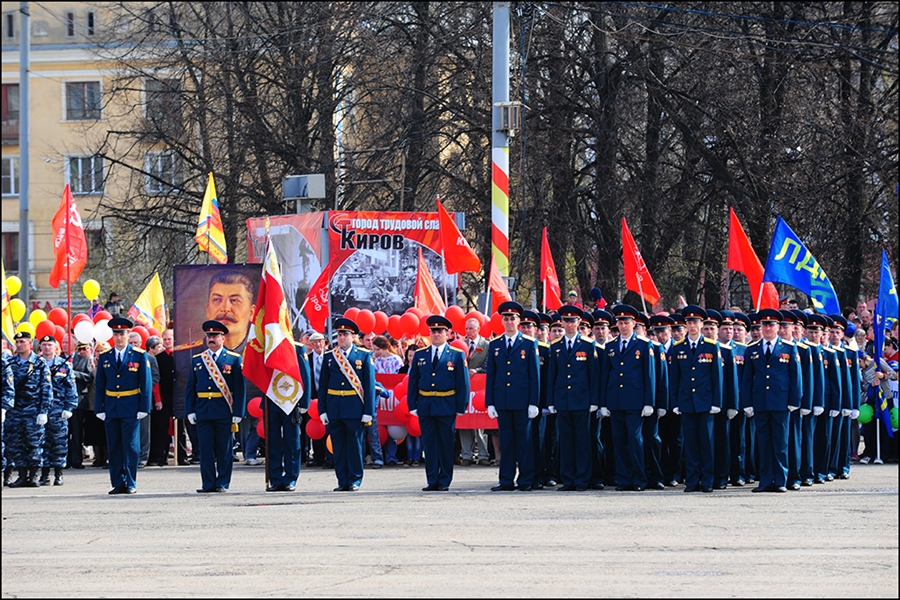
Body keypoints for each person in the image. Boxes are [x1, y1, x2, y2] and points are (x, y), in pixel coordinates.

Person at [741, 308, 802, 493]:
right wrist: (747, 403)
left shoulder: (789, 347)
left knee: (781, 443)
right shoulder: (752, 349)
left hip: (781, 401)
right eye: (764, 325)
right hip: (760, 401)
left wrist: (794, 400)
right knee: (763, 443)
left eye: (771, 325)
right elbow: (747, 378)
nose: (767, 328)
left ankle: (781, 480)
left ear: (778, 327)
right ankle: (766, 480)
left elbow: (795, 376)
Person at [408, 315, 470, 491]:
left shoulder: (457, 355)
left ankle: (444, 480)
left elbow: (462, 383)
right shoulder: (421, 354)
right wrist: (412, 405)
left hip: (446, 404)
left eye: (440, 331)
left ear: (447, 333)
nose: (436, 334)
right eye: (433, 331)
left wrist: (461, 405)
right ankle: (432, 479)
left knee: (445, 443)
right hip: (426, 404)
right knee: (430, 443)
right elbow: (413, 381)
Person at [484, 302, 540, 492]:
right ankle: (506, 479)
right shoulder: (495, 344)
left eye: (512, 319)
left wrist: (534, 402)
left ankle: (526, 479)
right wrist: (490, 402)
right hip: (503, 400)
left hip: (523, 400)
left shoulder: (528, 343)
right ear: (502, 321)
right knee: (506, 442)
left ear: (518, 321)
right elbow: (491, 375)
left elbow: (534, 376)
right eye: (506, 319)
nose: (509, 322)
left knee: (524, 441)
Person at [185, 320, 246, 493]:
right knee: (205, 450)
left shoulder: (233, 359)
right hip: (203, 410)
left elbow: (240, 388)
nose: (211, 339)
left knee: (224, 450)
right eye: (209, 336)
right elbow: (191, 387)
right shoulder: (198, 359)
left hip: (224, 410)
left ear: (222, 338)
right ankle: (208, 483)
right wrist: (190, 410)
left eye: (215, 336)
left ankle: (222, 483)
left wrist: (238, 412)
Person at [601, 304, 656, 492]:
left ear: (634, 323)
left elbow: (649, 376)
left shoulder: (643, 344)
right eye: (620, 322)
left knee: (635, 439)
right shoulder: (611, 346)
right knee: (619, 440)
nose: (623, 326)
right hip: (615, 400)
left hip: (635, 400)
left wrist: (649, 402)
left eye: (627, 322)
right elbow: (606, 374)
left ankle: (639, 478)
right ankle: (623, 478)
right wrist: (603, 403)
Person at [95, 318, 152, 495]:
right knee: (114, 446)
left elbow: (146, 383)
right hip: (112, 406)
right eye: (116, 334)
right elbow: (100, 385)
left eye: (122, 334)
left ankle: (130, 481)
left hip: (131, 406)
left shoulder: (138, 355)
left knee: (131, 446)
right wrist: (100, 408)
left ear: (128, 335)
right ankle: (118, 481)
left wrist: (144, 407)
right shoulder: (105, 357)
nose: (119, 338)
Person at [669, 306, 723, 493]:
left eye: (695, 322)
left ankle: (707, 480)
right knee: (690, 443)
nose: (692, 326)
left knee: (706, 443)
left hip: (706, 401)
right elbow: (674, 378)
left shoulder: (711, 345)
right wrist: (675, 402)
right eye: (689, 322)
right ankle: (692, 480)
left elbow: (717, 377)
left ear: (701, 324)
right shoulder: (678, 348)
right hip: (686, 401)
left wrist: (717, 402)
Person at [318, 317, 375, 492]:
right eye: (340, 334)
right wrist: (322, 410)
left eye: (346, 334)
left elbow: (369, 386)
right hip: (335, 407)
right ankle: (342, 479)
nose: (342, 337)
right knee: (339, 445)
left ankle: (355, 479)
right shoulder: (329, 356)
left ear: (353, 336)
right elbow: (323, 385)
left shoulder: (364, 356)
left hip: (354, 407)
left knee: (355, 444)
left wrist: (368, 411)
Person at [548, 305, 601, 491]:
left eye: (572, 321)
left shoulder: (587, 345)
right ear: (561, 322)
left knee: (583, 442)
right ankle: (568, 479)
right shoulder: (555, 347)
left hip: (582, 401)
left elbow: (593, 376)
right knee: (566, 441)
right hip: (563, 400)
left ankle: (582, 479)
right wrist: (551, 401)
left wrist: (595, 401)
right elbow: (552, 376)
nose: (569, 324)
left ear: (579, 323)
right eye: (566, 321)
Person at [6, 331, 52, 488]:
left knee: (34, 443)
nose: (19, 345)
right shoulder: (10, 363)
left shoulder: (39, 363)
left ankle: (33, 475)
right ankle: (21, 475)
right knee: (16, 444)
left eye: (22, 342)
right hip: (15, 410)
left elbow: (46, 388)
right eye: (17, 342)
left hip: (33, 409)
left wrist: (43, 411)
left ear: (30, 343)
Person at [264, 339, 310, 492]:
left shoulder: (297, 348)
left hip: (291, 400)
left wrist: (304, 403)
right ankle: (275, 478)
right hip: (271, 400)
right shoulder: (266, 346)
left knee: (292, 441)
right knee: (272, 441)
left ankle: (291, 478)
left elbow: (305, 375)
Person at [38, 336, 77, 486]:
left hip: (58, 410)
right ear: (40, 347)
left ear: (56, 347)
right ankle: (45, 474)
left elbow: (71, 388)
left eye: (50, 345)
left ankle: (59, 473)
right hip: (41, 410)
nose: (47, 348)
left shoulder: (63, 365)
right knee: (43, 442)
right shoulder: (36, 365)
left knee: (59, 443)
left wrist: (69, 407)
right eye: (44, 345)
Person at [460, 317, 491, 466]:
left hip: (480, 388)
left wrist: (477, 370)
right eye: (466, 329)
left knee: (480, 422)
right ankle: (466, 454)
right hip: (465, 387)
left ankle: (483, 455)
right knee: (464, 420)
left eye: (471, 329)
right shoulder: (461, 344)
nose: (468, 332)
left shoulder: (486, 345)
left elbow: (488, 365)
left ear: (478, 329)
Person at [129, 331, 157, 469]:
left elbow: (156, 377)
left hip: (144, 398)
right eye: (131, 343)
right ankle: (131, 456)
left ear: (141, 344)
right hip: (128, 399)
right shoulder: (126, 358)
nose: (134, 345)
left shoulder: (149, 359)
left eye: (136, 343)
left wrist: (144, 386)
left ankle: (143, 457)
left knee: (144, 431)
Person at [67, 342, 94, 470]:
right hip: (62, 401)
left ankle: (76, 460)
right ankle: (64, 460)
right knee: (63, 432)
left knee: (77, 432)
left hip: (78, 399)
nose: (67, 345)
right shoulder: (59, 359)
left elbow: (89, 377)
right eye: (64, 342)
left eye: (69, 342)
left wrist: (74, 373)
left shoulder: (83, 360)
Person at [148, 335, 174, 466]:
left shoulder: (181, 356)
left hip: (177, 397)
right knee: (161, 428)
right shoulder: (158, 358)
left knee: (179, 429)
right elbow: (156, 381)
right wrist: (158, 399)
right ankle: (159, 457)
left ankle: (181, 456)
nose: (168, 342)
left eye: (170, 339)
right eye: (166, 339)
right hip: (163, 397)